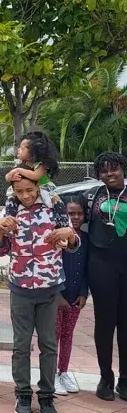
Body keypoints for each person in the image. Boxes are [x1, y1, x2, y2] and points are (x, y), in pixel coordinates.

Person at [0, 166, 78, 413]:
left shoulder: (54, 205)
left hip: (49, 288)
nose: (25, 195)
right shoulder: (10, 210)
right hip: (20, 288)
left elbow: (71, 243)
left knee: (49, 345)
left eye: (30, 190)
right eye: (20, 191)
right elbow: (0, 250)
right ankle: (22, 394)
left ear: (38, 187)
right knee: (21, 346)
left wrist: (69, 234)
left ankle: (47, 395)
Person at [80, 152, 127, 401]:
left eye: (114, 169)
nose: (110, 174)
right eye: (104, 170)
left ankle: (126, 380)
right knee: (105, 324)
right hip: (101, 267)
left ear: (122, 169)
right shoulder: (92, 196)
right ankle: (105, 378)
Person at [55, 197, 89, 396]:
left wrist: (84, 293)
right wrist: (57, 295)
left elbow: (86, 269)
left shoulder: (86, 239)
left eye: (79, 213)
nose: (75, 217)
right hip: (57, 298)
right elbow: (53, 267)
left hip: (76, 298)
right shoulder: (58, 237)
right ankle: (50, 374)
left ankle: (63, 372)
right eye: (70, 213)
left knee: (68, 337)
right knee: (54, 336)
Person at [3, 132, 60, 217]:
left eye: (22, 148)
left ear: (33, 151)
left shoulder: (41, 164)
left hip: (43, 189)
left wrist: (19, 170)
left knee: (55, 203)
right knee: (11, 197)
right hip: (26, 190)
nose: (18, 150)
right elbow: (7, 177)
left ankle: (60, 218)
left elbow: (35, 176)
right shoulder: (23, 164)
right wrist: (11, 177)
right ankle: (9, 214)